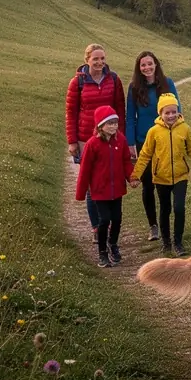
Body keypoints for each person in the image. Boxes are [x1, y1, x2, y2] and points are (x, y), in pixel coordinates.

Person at [130, 93, 191, 256]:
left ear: (178, 112)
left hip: (180, 176)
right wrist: (136, 175)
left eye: (174, 111)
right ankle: (166, 242)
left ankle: (178, 242)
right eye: (167, 112)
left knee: (179, 208)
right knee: (165, 209)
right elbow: (144, 155)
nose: (171, 115)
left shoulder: (185, 128)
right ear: (160, 114)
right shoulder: (153, 132)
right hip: (161, 178)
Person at [65, 43, 127, 238]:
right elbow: (71, 112)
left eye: (102, 58)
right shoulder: (78, 83)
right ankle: (97, 226)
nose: (100, 62)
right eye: (95, 59)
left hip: (111, 137)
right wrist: (72, 141)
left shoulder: (114, 80)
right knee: (93, 184)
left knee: (109, 177)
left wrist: (121, 135)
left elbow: (120, 108)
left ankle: (108, 222)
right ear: (87, 60)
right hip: (86, 138)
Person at [125, 51, 179, 242]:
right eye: (143, 65)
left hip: (165, 140)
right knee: (147, 184)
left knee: (164, 183)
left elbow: (176, 110)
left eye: (150, 64)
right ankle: (153, 225)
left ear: (156, 64)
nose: (147, 68)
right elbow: (130, 117)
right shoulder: (134, 88)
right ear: (139, 68)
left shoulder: (167, 83)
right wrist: (130, 143)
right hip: (144, 141)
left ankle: (167, 223)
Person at [75, 106, 130, 268]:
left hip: (117, 189)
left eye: (115, 123)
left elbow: (126, 161)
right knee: (104, 220)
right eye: (110, 123)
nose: (114, 126)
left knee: (117, 219)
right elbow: (85, 170)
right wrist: (80, 192)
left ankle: (112, 244)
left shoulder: (121, 140)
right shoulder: (92, 144)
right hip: (99, 191)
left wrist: (131, 177)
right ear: (100, 125)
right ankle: (102, 252)